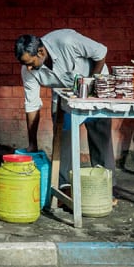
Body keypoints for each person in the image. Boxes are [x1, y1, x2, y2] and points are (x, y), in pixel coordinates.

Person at [15, 29, 114, 187]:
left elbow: (101, 53)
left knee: (100, 137)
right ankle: (63, 187)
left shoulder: (66, 41)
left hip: (94, 88)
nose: (28, 68)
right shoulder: (28, 70)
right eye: (24, 64)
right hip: (66, 96)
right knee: (63, 139)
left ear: (40, 52)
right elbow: (32, 105)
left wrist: (90, 84)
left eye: (30, 63)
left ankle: (106, 189)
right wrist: (32, 143)